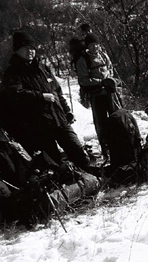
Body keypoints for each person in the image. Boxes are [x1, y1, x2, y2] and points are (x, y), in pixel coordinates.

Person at [1, 31, 90, 170]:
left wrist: (67, 111)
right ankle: (64, 182)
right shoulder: (12, 73)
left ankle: (89, 178)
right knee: (53, 162)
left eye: (32, 48)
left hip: (59, 119)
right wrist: (41, 96)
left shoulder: (43, 68)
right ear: (17, 50)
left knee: (78, 152)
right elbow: (16, 94)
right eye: (25, 48)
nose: (30, 51)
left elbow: (57, 92)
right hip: (39, 126)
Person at [75, 32, 122, 161]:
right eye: (92, 45)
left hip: (110, 94)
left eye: (96, 44)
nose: (95, 47)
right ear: (87, 46)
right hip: (97, 96)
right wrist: (100, 82)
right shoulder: (83, 60)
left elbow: (110, 70)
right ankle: (106, 151)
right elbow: (83, 80)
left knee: (116, 119)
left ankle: (118, 147)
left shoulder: (103, 56)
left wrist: (111, 80)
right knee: (101, 124)